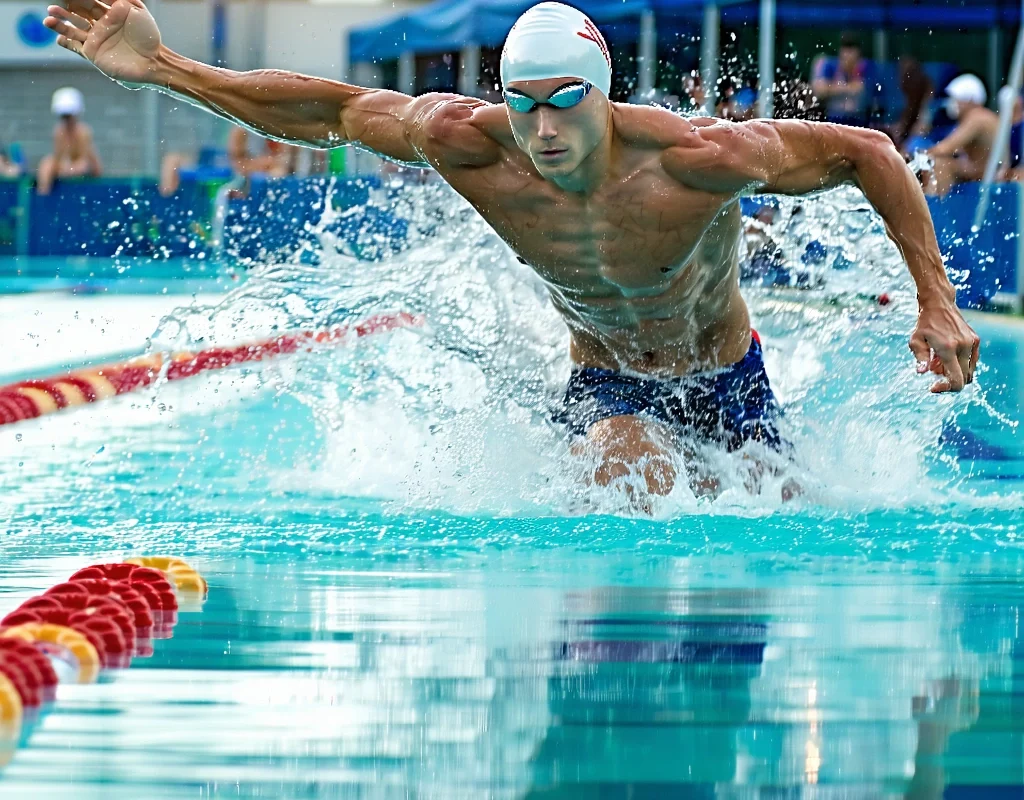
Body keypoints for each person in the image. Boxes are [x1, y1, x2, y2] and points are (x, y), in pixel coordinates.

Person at [43, 0, 979, 505]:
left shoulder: (700, 160)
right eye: (521, 100)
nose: (541, 125)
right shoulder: (472, 142)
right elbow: (326, 108)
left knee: (780, 521)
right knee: (627, 476)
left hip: (728, 376)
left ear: (604, 95)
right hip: (608, 381)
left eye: (563, 99)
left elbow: (869, 152)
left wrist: (934, 300)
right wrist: (167, 70)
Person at [924, 74, 1001, 197]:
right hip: (987, 171)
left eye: (956, 99)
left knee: (939, 164)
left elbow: (946, 148)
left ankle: (934, 207)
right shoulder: (983, 117)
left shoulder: (977, 118)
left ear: (970, 100)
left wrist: (919, 156)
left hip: (989, 175)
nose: (952, 103)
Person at [36, 86, 102, 195]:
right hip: (70, 168)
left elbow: (84, 164)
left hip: (88, 172)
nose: (66, 120)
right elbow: (58, 159)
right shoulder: (59, 132)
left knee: (82, 165)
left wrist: (69, 169)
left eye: (68, 116)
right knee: (46, 163)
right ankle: (43, 196)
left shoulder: (83, 132)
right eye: (63, 116)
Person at [811, 34, 872, 127]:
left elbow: (862, 91)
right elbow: (819, 90)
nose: (848, 56)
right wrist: (848, 88)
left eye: (851, 52)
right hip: (833, 121)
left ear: (858, 55)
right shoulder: (830, 66)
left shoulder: (866, 68)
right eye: (846, 52)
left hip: (858, 122)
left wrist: (832, 88)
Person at [889, 56, 934, 156]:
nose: (901, 76)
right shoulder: (910, 102)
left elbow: (922, 128)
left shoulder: (928, 99)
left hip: (925, 145)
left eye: (905, 71)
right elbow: (903, 125)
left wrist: (904, 147)